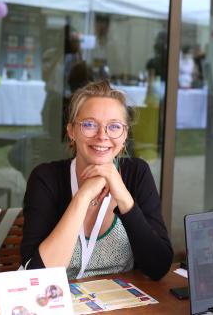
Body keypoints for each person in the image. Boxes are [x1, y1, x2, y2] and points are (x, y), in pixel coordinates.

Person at [20, 80, 173, 280]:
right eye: (89, 125)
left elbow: (158, 267)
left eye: (114, 126)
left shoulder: (137, 173)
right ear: (71, 131)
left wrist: (124, 199)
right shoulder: (46, 178)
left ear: (124, 134)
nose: (102, 136)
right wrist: (82, 197)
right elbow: (36, 277)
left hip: (121, 304)